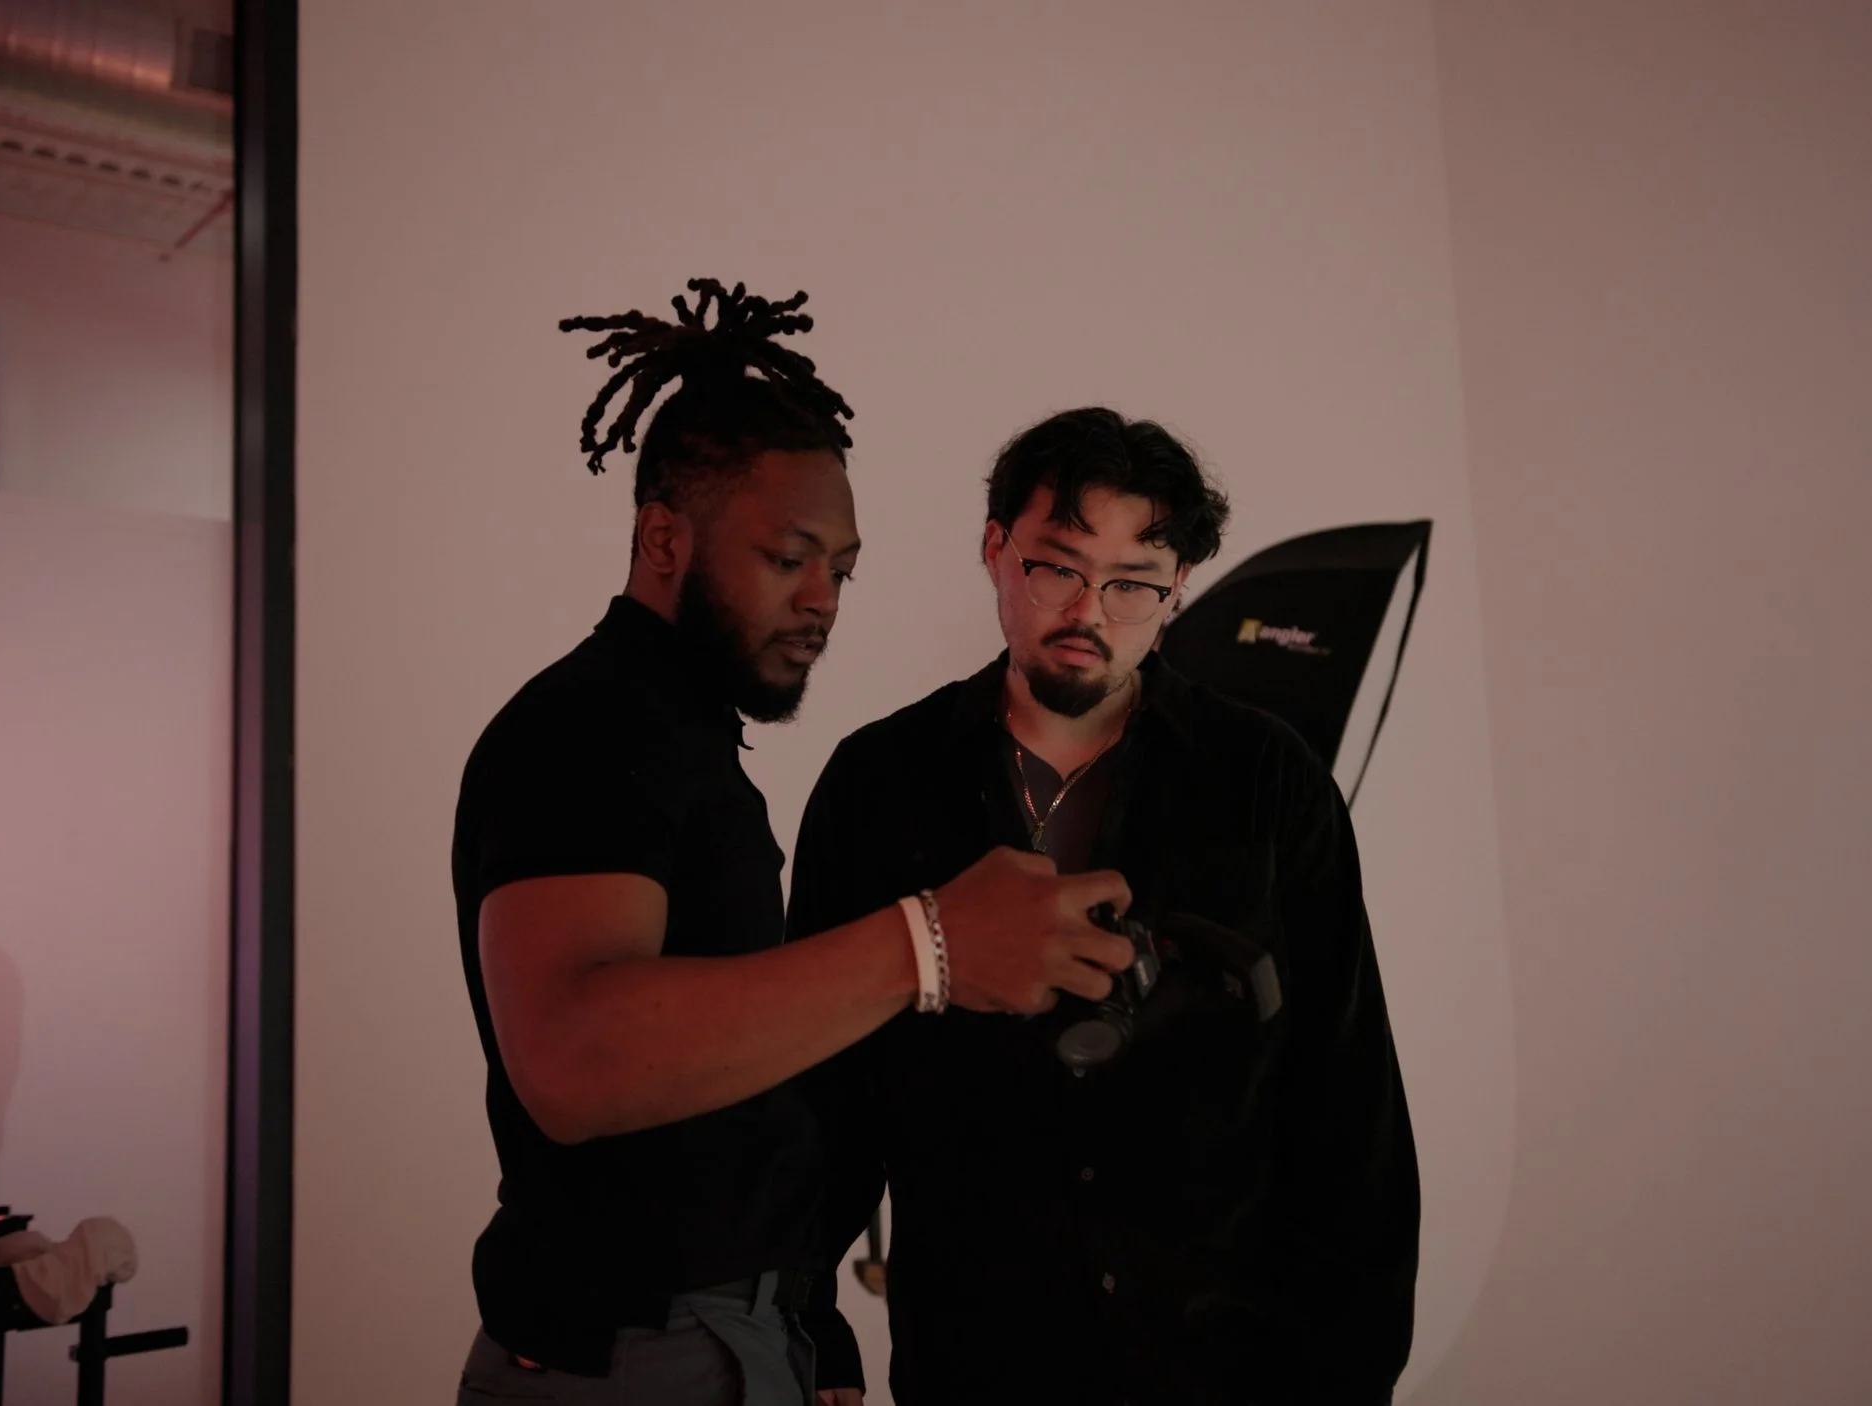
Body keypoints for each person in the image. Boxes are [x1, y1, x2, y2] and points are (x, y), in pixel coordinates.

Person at [451, 282, 1139, 1406]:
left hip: (722, 1335)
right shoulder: (591, 730)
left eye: (843, 568)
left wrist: (804, 1321)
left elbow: (744, 1076)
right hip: (641, 1353)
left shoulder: (679, 739)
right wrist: (930, 945)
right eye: (789, 557)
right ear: (663, 537)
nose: (824, 600)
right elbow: (573, 1060)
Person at [789, 408, 1420, 1406]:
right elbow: (823, 1089)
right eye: (1058, 567)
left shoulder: (1268, 781)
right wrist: (809, 1327)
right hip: (973, 1356)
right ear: (995, 549)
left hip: (1228, 1370)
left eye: (1132, 582)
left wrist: (1349, 1374)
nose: (1090, 610)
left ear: (1179, 587)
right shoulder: (881, 780)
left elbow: (1348, 1105)